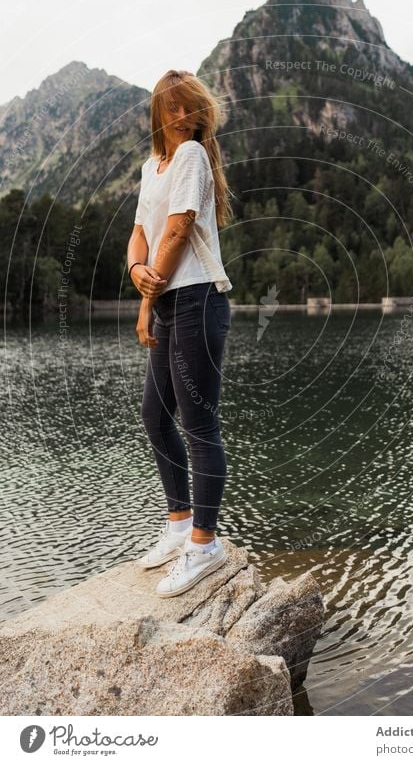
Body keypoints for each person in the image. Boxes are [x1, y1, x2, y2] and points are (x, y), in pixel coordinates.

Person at [126, 69, 233, 597]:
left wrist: (152, 283)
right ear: (158, 113)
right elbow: (142, 231)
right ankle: (177, 525)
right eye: (173, 108)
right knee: (154, 413)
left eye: (191, 106)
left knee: (198, 426)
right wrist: (138, 279)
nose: (183, 116)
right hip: (167, 300)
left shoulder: (192, 155)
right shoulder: (153, 166)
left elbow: (181, 223)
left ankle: (204, 545)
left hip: (198, 298)